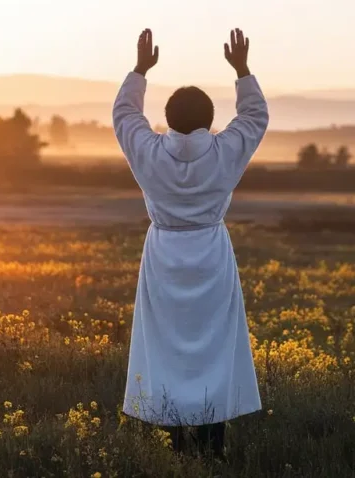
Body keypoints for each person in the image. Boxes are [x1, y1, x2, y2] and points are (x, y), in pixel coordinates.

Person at [113, 28, 269, 459]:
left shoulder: (148, 150)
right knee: (214, 349)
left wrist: (140, 70)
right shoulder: (224, 152)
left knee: (165, 349)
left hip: (163, 257)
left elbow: (124, 115)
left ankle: (174, 449)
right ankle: (212, 449)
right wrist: (242, 71)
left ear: (166, 117)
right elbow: (255, 117)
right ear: (209, 120)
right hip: (212, 257)